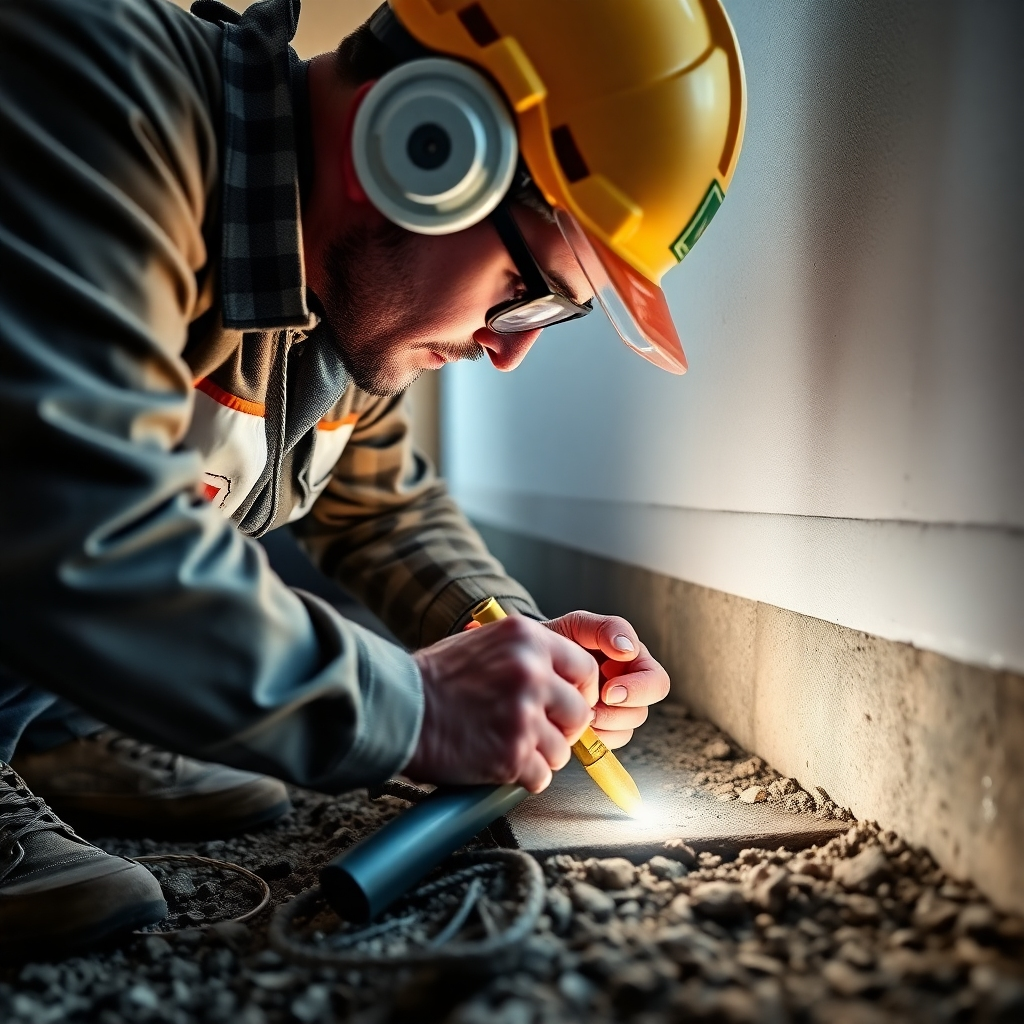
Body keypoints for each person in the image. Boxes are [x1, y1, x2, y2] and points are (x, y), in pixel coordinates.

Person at [0, 0, 744, 953]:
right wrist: (414, 707)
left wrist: (512, 638)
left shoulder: (327, 294)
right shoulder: (105, 104)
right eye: (530, 293)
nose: (506, 351)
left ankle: (62, 716)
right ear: (427, 144)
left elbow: (381, 506)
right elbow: (73, 512)